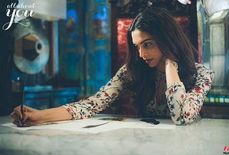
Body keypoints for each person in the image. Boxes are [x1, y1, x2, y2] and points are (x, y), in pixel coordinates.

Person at [11, 7, 214, 126]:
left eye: (148, 44)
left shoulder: (201, 74)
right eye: (137, 47)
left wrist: (170, 65)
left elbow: (181, 117)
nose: (141, 55)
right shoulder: (132, 71)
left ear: (167, 40)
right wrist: (38, 116)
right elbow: (90, 105)